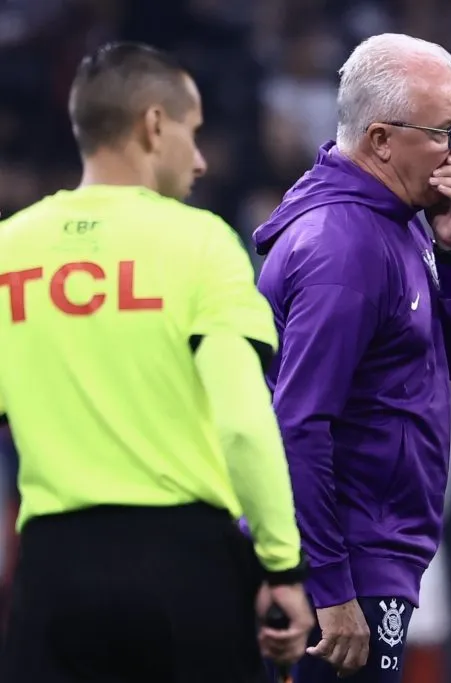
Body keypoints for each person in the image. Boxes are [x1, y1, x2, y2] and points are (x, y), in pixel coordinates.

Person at [0, 42, 313, 683]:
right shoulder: (199, 241)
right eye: (192, 133)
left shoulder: (9, 250)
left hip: (53, 573)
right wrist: (281, 567)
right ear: (153, 126)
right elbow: (243, 423)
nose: (198, 159)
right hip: (184, 568)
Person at [251, 33, 451, 682]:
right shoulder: (344, 250)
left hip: (373, 552)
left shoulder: (400, 216)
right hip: (341, 560)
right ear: (381, 140)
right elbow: (298, 424)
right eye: (447, 131)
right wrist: (331, 589)